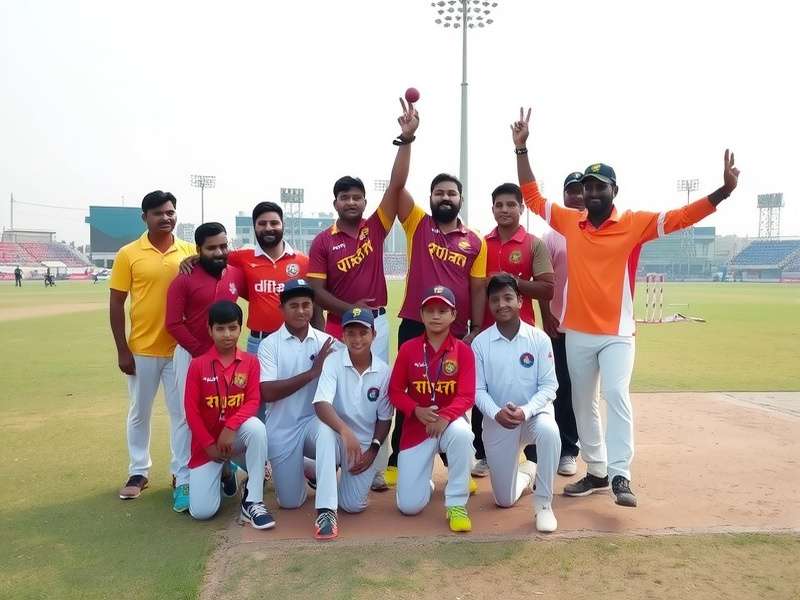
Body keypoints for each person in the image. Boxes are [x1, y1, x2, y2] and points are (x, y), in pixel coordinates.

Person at [511, 107, 741, 507]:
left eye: (601, 187)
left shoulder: (634, 223)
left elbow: (682, 216)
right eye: (588, 187)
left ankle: (621, 475)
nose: (593, 193)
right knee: (583, 405)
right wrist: (522, 149)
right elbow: (532, 198)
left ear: (614, 191)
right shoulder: (570, 221)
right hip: (577, 332)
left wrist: (723, 192)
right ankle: (597, 471)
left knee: (615, 395)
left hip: (617, 333)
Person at [383, 99, 487, 488]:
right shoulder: (417, 225)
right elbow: (396, 186)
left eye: (451, 193)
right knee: (409, 392)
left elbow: (478, 287)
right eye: (439, 192)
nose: (445, 197)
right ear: (430, 198)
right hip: (414, 322)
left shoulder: (475, 240)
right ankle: (397, 458)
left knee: (452, 397)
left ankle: (457, 463)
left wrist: (474, 328)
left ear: (460, 199)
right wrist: (407, 139)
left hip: (456, 331)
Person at [109, 191, 196, 506]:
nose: (166, 218)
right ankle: (139, 471)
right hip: (142, 349)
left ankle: (181, 474)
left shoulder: (189, 251)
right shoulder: (128, 254)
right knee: (139, 413)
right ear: (144, 217)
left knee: (182, 414)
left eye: (171, 212)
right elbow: (117, 302)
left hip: (179, 350)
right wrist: (122, 349)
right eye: (159, 213)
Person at [472, 182, 555, 478]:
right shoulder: (481, 243)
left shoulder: (534, 243)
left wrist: (510, 282)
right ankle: (484, 453)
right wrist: (475, 327)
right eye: (499, 205)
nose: (505, 210)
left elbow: (547, 288)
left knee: (528, 390)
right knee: (485, 391)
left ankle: (533, 456)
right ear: (492, 209)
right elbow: (475, 287)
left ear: (521, 208)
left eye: (511, 205)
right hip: (488, 333)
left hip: (525, 331)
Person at [165, 222, 244, 508]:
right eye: (211, 248)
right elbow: (173, 323)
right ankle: (183, 478)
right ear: (198, 250)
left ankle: (226, 467)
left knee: (226, 411)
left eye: (223, 246)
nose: (219, 252)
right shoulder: (184, 278)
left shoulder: (236, 273)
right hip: (192, 356)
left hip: (228, 357)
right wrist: (201, 354)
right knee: (187, 417)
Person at [472, 274, 560, 532]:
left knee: (550, 431)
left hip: (533, 416)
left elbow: (549, 385)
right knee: (504, 500)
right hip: (498, 420)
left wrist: (527, 410)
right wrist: (496, 412)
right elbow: (477, 390)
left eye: (508, 297)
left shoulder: (538, 338)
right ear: (489, 304)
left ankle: (544, 504)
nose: (502, 304)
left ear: (520, 300)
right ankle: (528, 472)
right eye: (495, 299)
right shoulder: (480, 343)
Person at [389, 286, 476, 533]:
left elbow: (467, 395)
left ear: (453, 315)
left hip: (449, 425)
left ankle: (457, 503)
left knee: (463, 434)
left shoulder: (463, 351)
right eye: (430, 311)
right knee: (409, 507)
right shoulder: (408, 349)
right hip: (417, 429)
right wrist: (415, 410)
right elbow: (395, 392)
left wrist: (446, 417)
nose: (436, 316)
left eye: (442, 310)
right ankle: (422, 484)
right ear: (421, 315)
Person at [180, 202, 316, 355]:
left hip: (296, 340)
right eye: (262, 223)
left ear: (282, 225)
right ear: (255, 227)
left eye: (274, 223)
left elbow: (315, 303)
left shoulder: (304, 262)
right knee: (257, 380)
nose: (268, 228)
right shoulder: (242, 258)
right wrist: (194, 258)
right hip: (259, 342)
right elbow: (215, 255)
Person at [183, 301, 274, 529]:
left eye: (233, 328)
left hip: (235, 439)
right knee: (202, 512)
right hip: (208, 448)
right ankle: (226, 473)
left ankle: (253, 501)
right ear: (210, 330)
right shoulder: (197, 365)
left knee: (256, 428)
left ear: (240, 328)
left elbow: (253, 401)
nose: (227, 334)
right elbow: (191, 411)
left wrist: (231, 427)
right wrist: (208, 445)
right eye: (220, 329)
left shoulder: (251, 362)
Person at [312, 307, 393, 540]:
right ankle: (326, 511)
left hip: (364, 444)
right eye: (351, 333)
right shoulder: (333, 362)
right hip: (338, 436)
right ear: (343, 336)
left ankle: (319, 470)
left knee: (352, 506)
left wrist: (374, 450)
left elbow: (385, 418)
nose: (357, 339)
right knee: (324, 432)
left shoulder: (383, 371)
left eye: (363, 333)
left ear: (373, 335)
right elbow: (321, 404)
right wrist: (345, 431)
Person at [258, 278, 337, 509]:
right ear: (282, 309)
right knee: (290, 503)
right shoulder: (270, 345)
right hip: (282, 429)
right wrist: (312, 373)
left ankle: (327, 505)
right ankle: (305, 465)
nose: (301, 311)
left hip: (314, 424)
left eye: (306, 305)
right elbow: (267, 392)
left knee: (328, 434)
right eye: (294, 306)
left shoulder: (327, 343)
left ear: (313, 308)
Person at [536, 172, 586, 477]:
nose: (577, 196)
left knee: (579, 390)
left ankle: (571, 448)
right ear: (564, 196)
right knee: (557, 386)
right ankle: (557, 447)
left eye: (581, 191)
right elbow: (545, 282)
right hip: (558, 323)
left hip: (587, 325)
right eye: (571, 191)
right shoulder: (552, 237)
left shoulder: (597, 231)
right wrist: (547, 316)